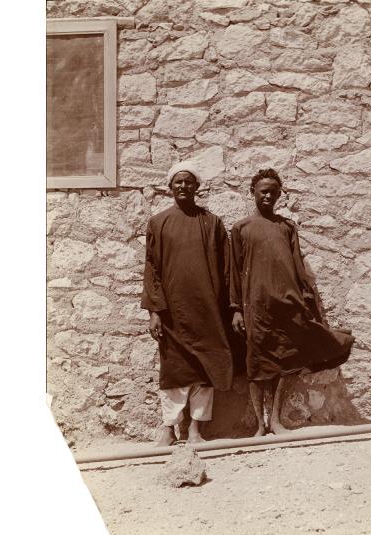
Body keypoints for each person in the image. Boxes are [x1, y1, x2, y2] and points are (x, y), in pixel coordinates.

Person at [230, 168, 355, 436]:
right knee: (256, 365)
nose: (268, 196)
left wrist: (306, 301)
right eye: (264, 191)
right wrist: (237, 309)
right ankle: (259, 425)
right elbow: (234, 273)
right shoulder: (241, 228)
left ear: (278, 195)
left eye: (274, 192)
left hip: (286, 305)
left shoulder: (287, 227)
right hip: (255, 307)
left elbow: (298, 267)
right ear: (253, 192)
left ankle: (275, 420)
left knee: (284, 363)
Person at [141, 161, 233, 446]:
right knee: (175, 369)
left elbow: (227, 268)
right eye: (178, 182)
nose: (183, 186)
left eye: (188, 182)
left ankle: (195, 430)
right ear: (170, 188)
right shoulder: (159, 223)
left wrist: (233, 308)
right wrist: (155, 311)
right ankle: (169, 428)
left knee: (206, 368)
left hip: (208, 311)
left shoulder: (212, 222)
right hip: (173, 312)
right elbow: (152, 269)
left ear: (197, 187)